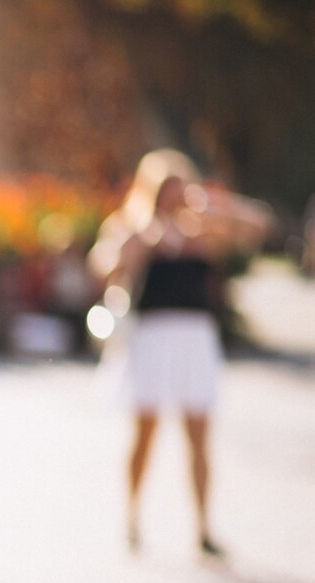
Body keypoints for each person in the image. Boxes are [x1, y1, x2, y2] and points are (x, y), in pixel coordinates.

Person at [89, 149, 271, 555]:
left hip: (195, 338)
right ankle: (132, 516)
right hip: (152, 337)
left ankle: (204, 527)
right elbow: (102, 265)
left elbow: (259, 225)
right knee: (146, 431)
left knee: (199, 434)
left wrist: (212, 206)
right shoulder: (133, 227)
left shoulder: (203, 231)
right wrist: (142, 244)